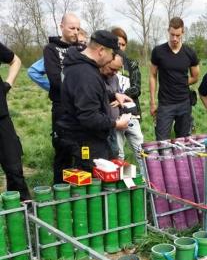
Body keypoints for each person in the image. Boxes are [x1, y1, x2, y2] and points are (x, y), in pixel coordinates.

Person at [57, 30, 130, 172]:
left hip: (85, 138)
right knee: (96, 185)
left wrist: (113, 95)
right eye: (112, 55)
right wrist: (116, 124)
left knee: (114, 171)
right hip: (85, 142)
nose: (111, 59)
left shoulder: (79, 66)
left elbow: (89, 95)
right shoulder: (86, 74)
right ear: (101, 50)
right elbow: (88, 117)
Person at [43, 13, 81, 183]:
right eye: (72, 28)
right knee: (63, 152)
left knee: (82, 151)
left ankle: (80, 193)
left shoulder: (81, 49)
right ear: (62, 27)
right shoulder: (51, 49)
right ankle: (60, 194)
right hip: (62, 108)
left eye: (78, 28)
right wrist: (79, 88)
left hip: (81, 107)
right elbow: (55, 79)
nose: (75, 32)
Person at [149, 17, 200, 140]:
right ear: (168, 31)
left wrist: (181, 83)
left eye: (178, 35)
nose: (174, 39)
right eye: (172, 35)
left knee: (183, 141)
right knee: (162, 142)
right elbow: (152, 75)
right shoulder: (158, 51)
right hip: (165, 104)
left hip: (184, 103)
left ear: (183, 32)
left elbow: (195, 77)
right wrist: (152, 102)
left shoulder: (190, 53)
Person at [0, 42, 30, 200]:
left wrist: (7, 84)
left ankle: (23, 213)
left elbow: (15, 60)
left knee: (14, 169)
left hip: (1, 118)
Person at [110, 27, 144, 162]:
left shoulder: (132, 63)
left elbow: (137, 88)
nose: (120, 47)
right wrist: (115, 97)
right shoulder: (105, 64)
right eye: (117, 44)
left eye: (123, 44)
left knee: (141, 151)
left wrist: (121, 97)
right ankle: (119, 181)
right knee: (118, 153)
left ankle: (146, 179)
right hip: (115, 115)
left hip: (131, 113)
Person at [28, 28, 88, 93]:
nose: (83, 45)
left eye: (85, 42)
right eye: (80, 42)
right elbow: (33, 72)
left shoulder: (85, 53)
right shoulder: (56, 53)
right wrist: (54, 88)